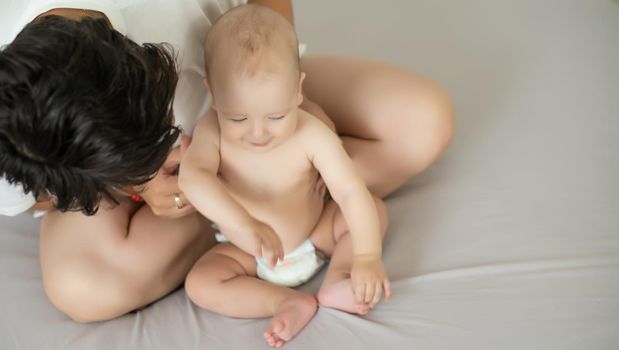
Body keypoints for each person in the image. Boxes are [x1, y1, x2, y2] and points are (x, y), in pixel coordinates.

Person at [0, 0, 454, 323]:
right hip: (185, 183)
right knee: (83, 290)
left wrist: (293, 114)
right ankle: (253, 222)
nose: (172, 136)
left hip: (247, 103)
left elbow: (264, 18)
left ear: (140, 56)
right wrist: (136, 186)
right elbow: (38, 197)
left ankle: (274, 208)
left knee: (423, 122)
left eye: (164, 119)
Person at [179, 5, 390, 347]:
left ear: (298, 90)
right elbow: (193, 179)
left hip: (316, 234)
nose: (258, 133)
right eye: (237, 118)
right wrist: (244, 224)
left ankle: (340, 277)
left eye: (276, 115)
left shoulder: (312, 134)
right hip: (248, 254)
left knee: (373, 211)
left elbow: (350, 192)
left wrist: (368, 256)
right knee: (201, 283)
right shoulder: (211, 133)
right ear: (213, 96)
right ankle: (282, 302)